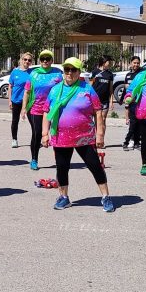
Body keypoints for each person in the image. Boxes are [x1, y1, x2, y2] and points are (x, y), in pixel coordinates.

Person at [42, 57, 114, 212]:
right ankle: (64, 197)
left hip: (84, 137)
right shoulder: (55, 89)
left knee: (95, 166)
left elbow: (98, 111)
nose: (69, 73)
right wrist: (44, 134)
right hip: (61, 137)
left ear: (79, 72)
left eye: (73, 70)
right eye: (66, 69)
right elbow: (46, 112)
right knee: (62, 168)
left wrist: (100, 134)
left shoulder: (87, 89)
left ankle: (106, 197)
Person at [20, 50, 63, 170]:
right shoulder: (34, 74)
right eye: (42, 58)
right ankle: (34, 159)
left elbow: (62, 91)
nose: (45, 61)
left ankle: (59, 160)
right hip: (35, 109)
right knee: (37, 133)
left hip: (53, 109)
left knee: (55, 133)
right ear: (40, 60)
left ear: (51, 60)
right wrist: (23, 108)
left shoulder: (58, 74)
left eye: (47, 58)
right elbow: (27, 92)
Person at [7, 52, 34, 148]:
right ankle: (14, 139)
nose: (27, 61)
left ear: (31, 62)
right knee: (15, 121)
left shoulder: (33, 72)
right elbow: (10, 86)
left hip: (29, 101)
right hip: (16, 100)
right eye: (25, 59)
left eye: (29, 60)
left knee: (33, 121)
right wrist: (10, 100)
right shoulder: (15, 72)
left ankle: (35, 140)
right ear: (21, 60)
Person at [90, 55, 115, 134]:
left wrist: (111, 101)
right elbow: (90, 85)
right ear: (104, 62)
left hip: (104, 101)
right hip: (94, 100)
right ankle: (96, 138)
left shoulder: (110, 74)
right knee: (96, 119)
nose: (110, 63)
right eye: (109, 62)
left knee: (103, 119)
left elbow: (111, 89)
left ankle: (101, 139)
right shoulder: (95, 72)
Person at [123, 56, 143, 151]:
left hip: (140, 102)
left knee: (139, 123)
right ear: (131, 63)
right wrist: (125, 99)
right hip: (131, 101)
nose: (136, 64)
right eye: (134, 62)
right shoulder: (128, 75)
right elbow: (126, 88)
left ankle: (137, 142)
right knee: (132, 123)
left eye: (138, 63)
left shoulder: (142, 74)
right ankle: (128, 141)